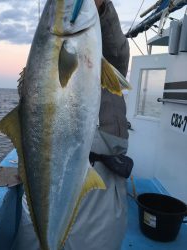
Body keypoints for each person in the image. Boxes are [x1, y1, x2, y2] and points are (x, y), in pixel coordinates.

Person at [14, 1, 131, 249]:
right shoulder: (48, 53)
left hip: (98, 185)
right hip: (43, 191)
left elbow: (118, 54)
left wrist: (103, 8)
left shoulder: (103, 55)